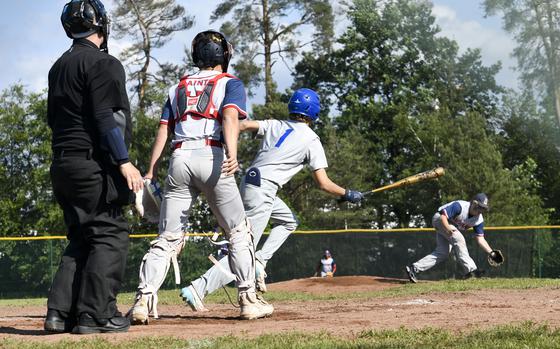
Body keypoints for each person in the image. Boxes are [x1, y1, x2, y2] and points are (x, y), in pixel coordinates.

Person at [130, 30, 273, 324]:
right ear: (224, 56)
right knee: (237, 230)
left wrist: (150, 171)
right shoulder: (230, 83)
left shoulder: (177, 88)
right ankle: (248, 300)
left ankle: (142, 301)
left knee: (168, 238)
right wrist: (232, 152)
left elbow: (163, 131)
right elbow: (230, 117)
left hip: (179, 158)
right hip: (212, 156)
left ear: (197, 56)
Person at [179, 88, 363, 312]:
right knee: (241, 249)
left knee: (288, 221)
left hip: (250, 183)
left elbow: (243, 125)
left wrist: (224, 132)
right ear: (314, 113)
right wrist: (347, 193)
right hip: (264, 190)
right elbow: (323, 183)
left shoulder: (277, 124)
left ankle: (260, 260)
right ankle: (198, 289)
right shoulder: (312, 139)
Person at [44, 0, 143, 334]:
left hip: (62, 163)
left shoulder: (58, 66)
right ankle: (96, 315)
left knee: (80, 238)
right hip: (91, 164)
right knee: (109, 233)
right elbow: (106, 117)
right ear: (101, 24)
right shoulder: (104, 63)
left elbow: (51, 119)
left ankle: (59, 314)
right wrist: (124, 162)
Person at [405, 193, 494, 283]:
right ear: (474, 203)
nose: (481, 210)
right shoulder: (460, 206)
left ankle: (414, 268)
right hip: (439, 219)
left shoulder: (478, 219)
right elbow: (443, 216)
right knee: (459, 239)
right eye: (480, 207)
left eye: (483, 208)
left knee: (443, 252)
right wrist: (447, 228)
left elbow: (480, 239)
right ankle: (471, 271)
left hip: (448, 227)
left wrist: (491, 252)